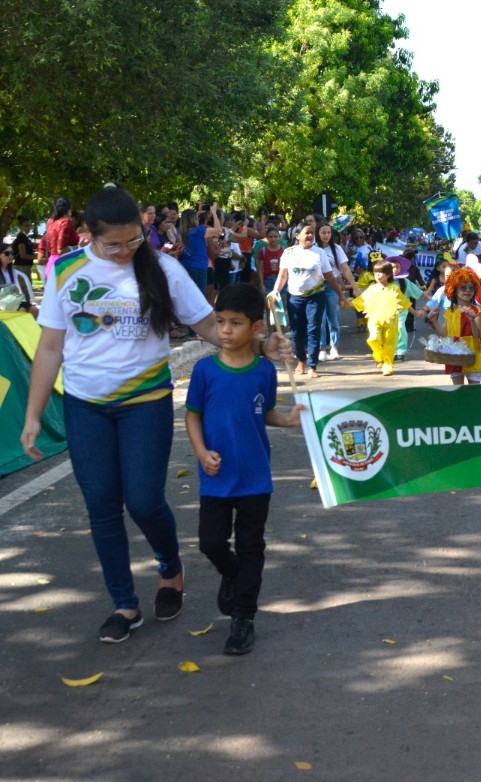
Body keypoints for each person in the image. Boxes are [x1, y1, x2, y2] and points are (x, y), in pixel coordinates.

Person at [19, 185, 289, 644]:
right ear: (88, 234)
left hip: (145, 401)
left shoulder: (162, 268)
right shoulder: (65, 270)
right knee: (102, 507)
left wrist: (261, 345)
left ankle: (170, 568)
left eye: (133, 240)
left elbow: (208, 325)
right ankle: (124, 605)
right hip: (86, 406)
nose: (125, 251)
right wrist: (33, 416)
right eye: (113, 244)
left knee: (143, 501)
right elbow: (49, 346)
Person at [184, 283, 303, 656]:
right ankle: (232, 575)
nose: (225, 331)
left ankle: (243, 619)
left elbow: (262, 410)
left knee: (252, 546)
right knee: (212, 543)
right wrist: (202, 453)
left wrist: (285, 420)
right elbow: (193, 416)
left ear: (256, 328)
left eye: (235, 323)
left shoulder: (263, 372)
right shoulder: (205, 371)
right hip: (216, 477)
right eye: (220, 322)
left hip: (255, 476)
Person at [270, 223, 345, 379]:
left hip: (316, 296)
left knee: (313, 330)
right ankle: (301, 360)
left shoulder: (319, 253)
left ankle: (312, 365)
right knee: (297, 331)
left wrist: (341, 294)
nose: (310, 235)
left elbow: (329, 276)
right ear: (297, 236)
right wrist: (274, 293)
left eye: (312, 233)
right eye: (307, 233)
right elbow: (283, 276)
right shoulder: (288, 253)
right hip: (294, 297)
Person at [351, 260, 411, 376]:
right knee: (373, 339)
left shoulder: (394, 288)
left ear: (388, 275)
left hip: (391, 319)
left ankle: (388, 364)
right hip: (375, 318)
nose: (377, 275)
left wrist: (415, 312)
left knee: (390, 341)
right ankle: (378, 355)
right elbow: (361, 300)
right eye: (375, 272)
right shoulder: (372, 289)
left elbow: (404, 303)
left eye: (381, 272)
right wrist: (347, 304)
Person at [432, 267, 481, 385]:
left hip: (472, 354)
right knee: (458, 390)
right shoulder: (451, 311)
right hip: (454, 354)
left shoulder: (476, 311)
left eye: (471, 288)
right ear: (454, 290)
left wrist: (472, 320)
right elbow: (445, 333)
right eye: (463, 288)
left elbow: (477, 334)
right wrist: (434, 321)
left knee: (474, 391)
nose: (467, 291)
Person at [316, 223, 357, 362]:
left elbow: (345, 269)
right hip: (316, 286)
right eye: (323, 232)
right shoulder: (313, 249)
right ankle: (321, 348)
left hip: (332, 285)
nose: (326, 235)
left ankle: (334, 347)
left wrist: (354, 286)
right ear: (318, 233)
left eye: (328, 232)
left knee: (333, 317)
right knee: (319, 319)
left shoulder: (336, 249)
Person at [0, 245, 36, 313]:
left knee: (34, 310)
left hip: (12, 299)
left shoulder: (12, 271)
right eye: (7, 253)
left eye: (12, 253)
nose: (10, 256)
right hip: (3, 301)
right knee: (23, 311)